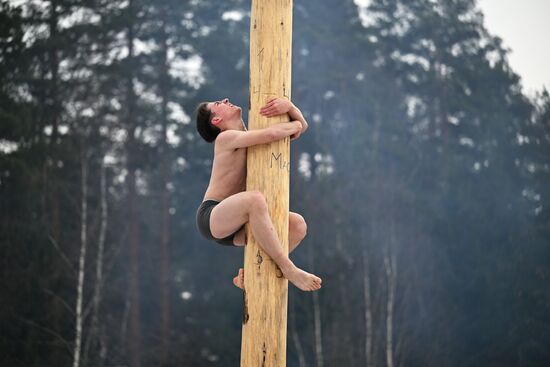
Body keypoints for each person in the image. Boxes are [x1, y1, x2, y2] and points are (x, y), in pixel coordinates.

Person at [194, 97, 322, 292]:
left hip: (239, 219)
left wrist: (291, 108)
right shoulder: (225, 138)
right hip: (213, 216)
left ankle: (252, 273)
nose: (225, 100)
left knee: (297, 225)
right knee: (254, 199)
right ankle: (288, 268)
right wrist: (294, 122)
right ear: (216, 120)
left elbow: (300, 128)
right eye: (218, 104)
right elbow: (273, 134)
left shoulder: (248, 135)